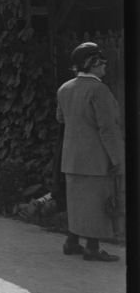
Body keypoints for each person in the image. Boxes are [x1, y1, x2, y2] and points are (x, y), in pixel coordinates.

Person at [56, 42, 124, 262]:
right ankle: (92, 249)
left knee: (77, 202)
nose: (105, 67)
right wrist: (117, 158)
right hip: (96, 158)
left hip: (72, 158)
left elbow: (61, 118)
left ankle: (72, 242)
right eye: (102, 63)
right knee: (96, 203)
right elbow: (108, 128)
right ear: (92, 63)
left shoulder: (64, 88)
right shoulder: (99, 90)